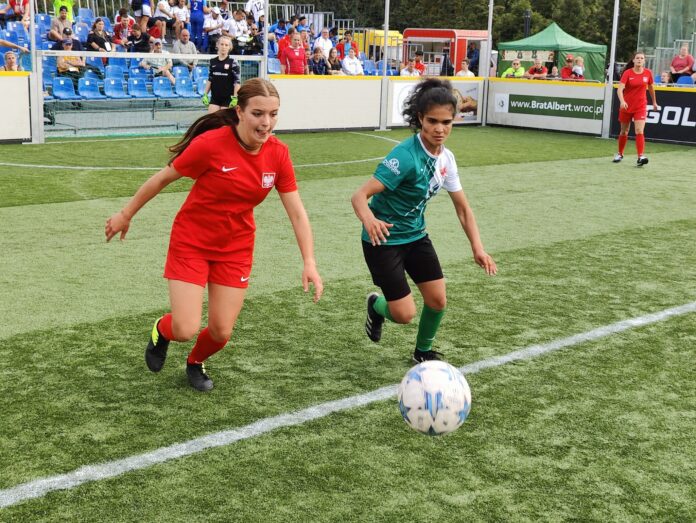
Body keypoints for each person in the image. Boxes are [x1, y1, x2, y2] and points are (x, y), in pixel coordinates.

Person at [105, 78, 323, 392]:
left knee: (220, 332)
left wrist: (309, 261)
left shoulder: (278, 154)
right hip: (191, 241)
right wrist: (126, 214)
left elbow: (297, 212)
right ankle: (161, 332)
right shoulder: (211, 145)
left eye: (274, 114)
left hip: (235, 248)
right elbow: (163, 178)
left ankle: (194, 362)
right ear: (240, 113)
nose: (267, 123)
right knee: (185, 327)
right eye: (258, 114)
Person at [350, 78, 497, 364]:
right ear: (420, 118)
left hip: (416, 237)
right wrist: (369, 219)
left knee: (437, 300)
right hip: (384, 240)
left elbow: (463, 208)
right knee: (404, 315)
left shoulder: (447, 159)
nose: (440, 129)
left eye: (447, 122)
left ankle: (422, 352)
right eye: (432, 121)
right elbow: (359, 196)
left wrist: (478, 248)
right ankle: (375, 306)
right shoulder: (405, 157)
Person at [613, 52, 660, 167]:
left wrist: (654, 102)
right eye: (637, 58)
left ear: (644, 61)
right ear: (633, 60)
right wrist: (622, 101)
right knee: (624, 131)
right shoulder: (627, 73)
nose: (639, 60)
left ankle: (640, 156)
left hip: (640, 107)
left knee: (639, 130)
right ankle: (620, 154)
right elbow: (620, 89)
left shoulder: (648, 73)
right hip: (627, 106)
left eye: (641, 58)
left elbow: (651, 88)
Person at [202, 35, 240, 113]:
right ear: (217, 45)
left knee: (224, 123)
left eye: (226, 45)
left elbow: (237, 82)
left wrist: (235, 97)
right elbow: (210, 79)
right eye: (222, 44)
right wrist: (205, 94)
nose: (224, 47)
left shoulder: (233, 62)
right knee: (212, 121)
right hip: (215, 98)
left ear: (230, 47)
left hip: (228, 98)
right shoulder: (212, 61)